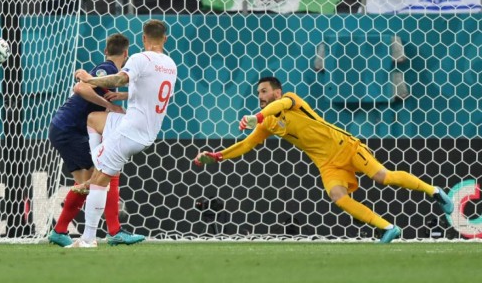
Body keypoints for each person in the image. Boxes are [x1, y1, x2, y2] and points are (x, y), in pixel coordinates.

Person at [193, 76, 454, 244]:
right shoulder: (269, 123)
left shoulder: (291, 100)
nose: (260, 96)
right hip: (327, 163)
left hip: (345, 146)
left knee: (382, 177)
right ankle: (388, 228)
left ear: (277, 92)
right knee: (338, 196)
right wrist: (216, 156)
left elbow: (273, 108)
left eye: (264, 91)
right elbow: (246, 144)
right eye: (258, 94)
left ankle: (434, 191)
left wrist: (255, 117)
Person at [69, 19, 177, 248]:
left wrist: (90, 79)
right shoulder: (170, 64)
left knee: (99, 180)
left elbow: (119, 78)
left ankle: (88, 239)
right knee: (94, 120)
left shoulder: (140, 58)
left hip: (131, 131)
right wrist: (124, 96)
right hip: (145, 130)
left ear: (143, 39)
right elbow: (157, 95)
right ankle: (100, 160)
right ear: (165, 39)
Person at [48, 33, 146, 247]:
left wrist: (114, 100)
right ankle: (115, 231)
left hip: (66, 129)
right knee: (105, 174)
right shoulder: (108, 69)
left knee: (89, 182)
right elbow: (80, 87)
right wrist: (109, 106)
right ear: (126, 53)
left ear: (105, 50)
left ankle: (60, 230)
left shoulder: (109, 75)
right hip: (69, 129)